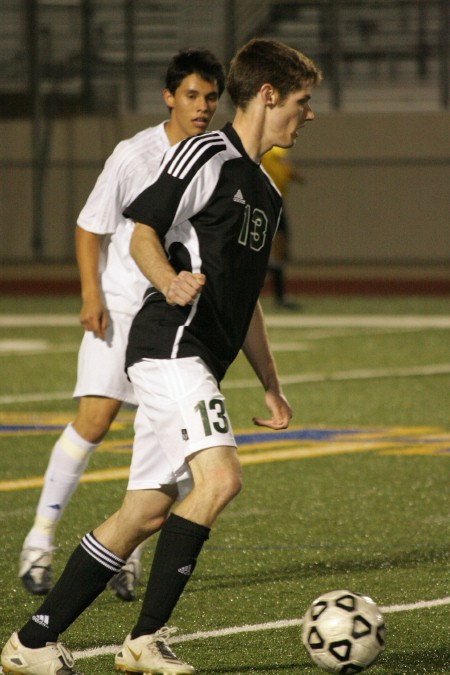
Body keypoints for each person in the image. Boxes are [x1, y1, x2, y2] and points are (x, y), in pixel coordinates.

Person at [2, 38, 322, 675]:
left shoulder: (267, 190)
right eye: (302, 101)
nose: (308, 115)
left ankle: (30, 644)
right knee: (221, 480)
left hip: (198, 356)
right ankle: (144, 640)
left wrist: (271, 383)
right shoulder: (205, 153)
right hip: (169, 346)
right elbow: (144, 228)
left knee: (144, 511)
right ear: (266, 95)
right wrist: (167, 279)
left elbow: (244, 298)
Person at [18, 48, 225, 602]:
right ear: (168, 96)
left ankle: (124, 556)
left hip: (175, 316)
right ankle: (39, 541)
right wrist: (91, 294)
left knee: (162, 438)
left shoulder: (219, 158)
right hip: (123, 305)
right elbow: (91, 226)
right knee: (95, 419)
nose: (202, 106)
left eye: (210, 97)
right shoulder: (134, 154)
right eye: (191, 95)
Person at [262, 145, 305, 308]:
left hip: (274, 201)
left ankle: (279, 295)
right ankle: (278, 295)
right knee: (274, 249)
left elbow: (286, 170)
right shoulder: (270, 149)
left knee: (278, 251)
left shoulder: (275, 149)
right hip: (268, 201)